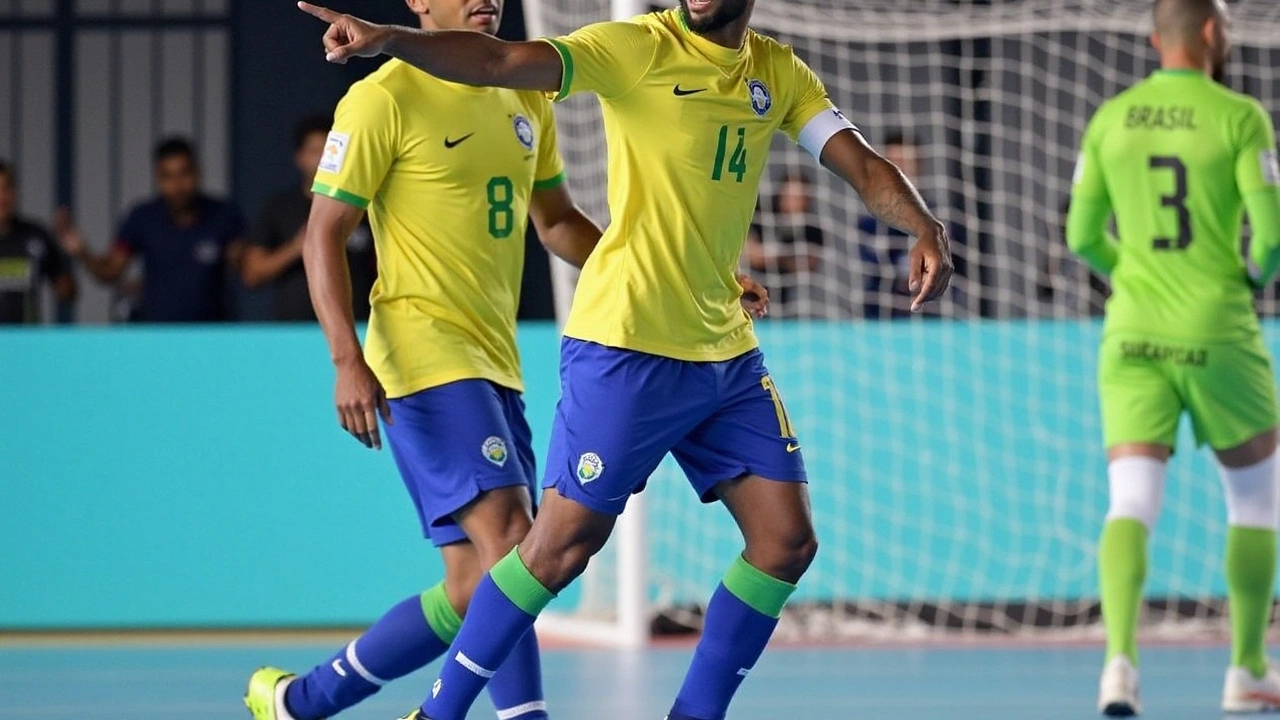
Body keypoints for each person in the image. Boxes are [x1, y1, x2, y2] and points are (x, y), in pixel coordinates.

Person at [298, 1, 952, 718]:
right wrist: (388, 39)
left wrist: (921, 222)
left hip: (722, 350)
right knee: (549, 550)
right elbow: (497, 62)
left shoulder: (780, 72)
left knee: (785, 540)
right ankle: (440, 710)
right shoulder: (633, 48)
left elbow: (858, 159)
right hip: (624, 345)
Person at [247, 3, 770, 720]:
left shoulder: (523, 93)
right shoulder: (382, 97)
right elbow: (323, 234)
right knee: (514, 549)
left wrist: (686, 278)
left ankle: (300, 701)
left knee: (473, 587)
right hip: (422, 353)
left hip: (494, 361)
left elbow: (555, 221)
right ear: (417, 5)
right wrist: (346, 357)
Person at [1067, 0, 1280, 714]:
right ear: (1215, 34)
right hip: (1218, 329)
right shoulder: (1241, 116)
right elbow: (1272, 238)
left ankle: (1118, 663)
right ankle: (1246, 670)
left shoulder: (1110, 119)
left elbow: (1079, 236)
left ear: (1157, 39)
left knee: (1131, 499)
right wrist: (1250, 274)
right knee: (1254, 499)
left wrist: (1132, 272)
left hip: (1132, 333)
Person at [59, 138, 246, 322]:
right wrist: (83, 252)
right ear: (158, 178)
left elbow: (248, 269)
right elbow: (110, 271)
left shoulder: (224, 215)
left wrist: (239, 259)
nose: (177, 185)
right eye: (168, 176)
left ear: (197, 172)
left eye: (184, 173)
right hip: (156, 338)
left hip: (213, 338)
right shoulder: (143, 218)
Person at [241, 115, 376, 321]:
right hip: (294, 334)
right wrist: (298, 247)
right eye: (315, 151)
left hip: (358, 327)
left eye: (330, 150)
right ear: (300, 157)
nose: (324, 158)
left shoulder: (364, 206)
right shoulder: (280, 207)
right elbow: (252, 274)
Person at [0, 161, 76, 324]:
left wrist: (71, 252)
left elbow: (67, 292)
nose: (2, 197)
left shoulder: (35, 235)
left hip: (26, 342)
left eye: (7, 188)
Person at [744, 171, 825, 317]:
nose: (791, 200)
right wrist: (784, 257)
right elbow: (751, 254)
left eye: (797, 197)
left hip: (792, 304)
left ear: (806, 200)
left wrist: (776, 256)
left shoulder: (812, 229)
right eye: (788, 194)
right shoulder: (762, 215)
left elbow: (808, 265)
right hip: (750, 293)